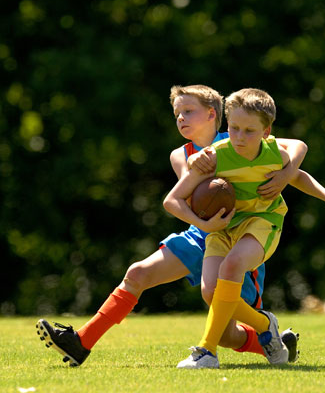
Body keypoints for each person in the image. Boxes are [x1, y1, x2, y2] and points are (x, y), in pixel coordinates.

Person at [36, 85, 308, 366]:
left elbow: (296, 146)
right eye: (177, 113)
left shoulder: (240, 135)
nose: (180, 118)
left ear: (212, 114)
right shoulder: (181, 155)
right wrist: (201, 221)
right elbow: (190, 197)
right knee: (138, 273)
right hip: (200, 233)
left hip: (237, 237)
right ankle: (81, 342)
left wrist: (286, 174)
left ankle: (274, 338)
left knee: (227, 336)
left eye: (188, 111)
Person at [163, 87, 325, 369]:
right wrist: (204, 224)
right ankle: (264, 324)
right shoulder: (214, 157)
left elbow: (299, 174)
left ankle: (206, 352)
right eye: (234, 128)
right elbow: (172, 201)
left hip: (262, 222)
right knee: (210, 293)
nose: (240, 137)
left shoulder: (273, 154)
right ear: (226, 124)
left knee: (231, 267)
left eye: (249, 131)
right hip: (222, 229)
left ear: (267, 131)